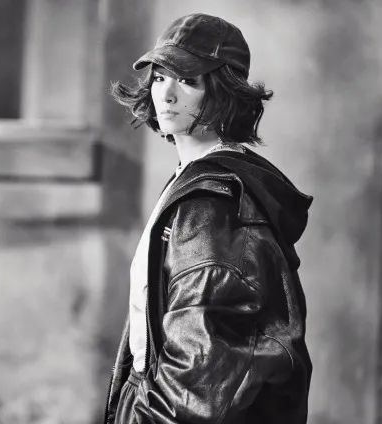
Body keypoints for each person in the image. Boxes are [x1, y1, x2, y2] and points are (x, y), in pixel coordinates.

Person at [103, 13, 312, 424]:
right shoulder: (199, 181)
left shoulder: (211, 207)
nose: (166, 94)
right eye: (159, 77)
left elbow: (197, 383)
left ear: (224, 93)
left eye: (187, 80)